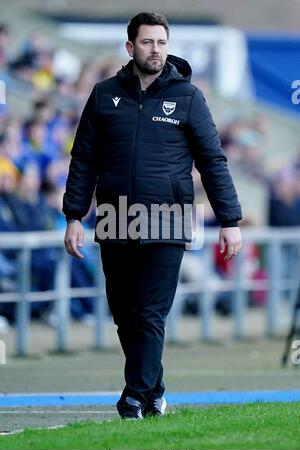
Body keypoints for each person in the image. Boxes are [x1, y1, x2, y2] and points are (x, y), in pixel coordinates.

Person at [63, 12, 242, 420]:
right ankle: (155, 390)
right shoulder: (104, 94)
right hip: (114, 215)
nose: (155, 49)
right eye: (147, 42)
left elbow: (213, 160)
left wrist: (230, 221)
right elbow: (83, 158)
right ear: (130, 47)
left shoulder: (188, 97)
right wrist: (75, 214)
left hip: (170, 216)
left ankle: (133, 398)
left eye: (161, 42)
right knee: (125, 314)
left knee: (150, 311)